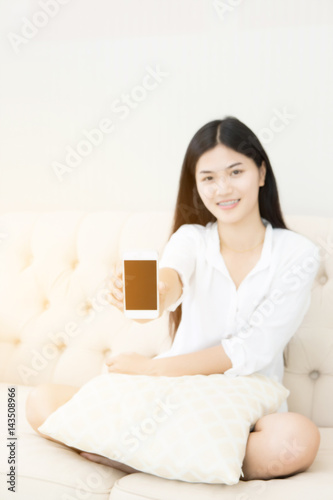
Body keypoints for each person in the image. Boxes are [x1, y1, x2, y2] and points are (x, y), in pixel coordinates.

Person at [26, 116, 321, 481]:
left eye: (235, 172)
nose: (223, 189)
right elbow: (169, 284)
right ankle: (185, 458)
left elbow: (252, 351)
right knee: (40, 401)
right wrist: (151, 292)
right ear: (196, 187)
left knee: (296, 439)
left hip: (245, 401)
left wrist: (150, 368)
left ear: (261, 173)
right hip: (173, 392)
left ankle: (135, 454)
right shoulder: (191, 239)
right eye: (208, 178)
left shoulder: (299, 254)